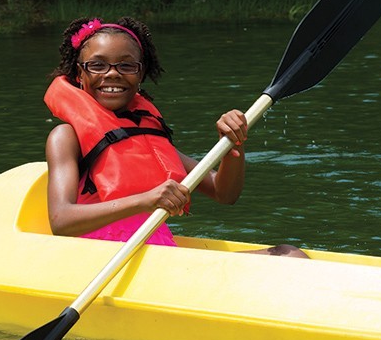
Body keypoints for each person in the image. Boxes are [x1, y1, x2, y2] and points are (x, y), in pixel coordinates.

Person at [43, 16, 307, 258]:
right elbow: (61, 220)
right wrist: (146, 200)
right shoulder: (66, 137)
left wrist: (232, 145)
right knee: (289, 258)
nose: (112, 73)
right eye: (97, 65)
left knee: (287, 254)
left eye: (126, 65)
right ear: (79, 75)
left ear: (141, 73)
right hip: (100, 261)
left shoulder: (147, 135)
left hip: (155, 254)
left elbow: (224, 192)